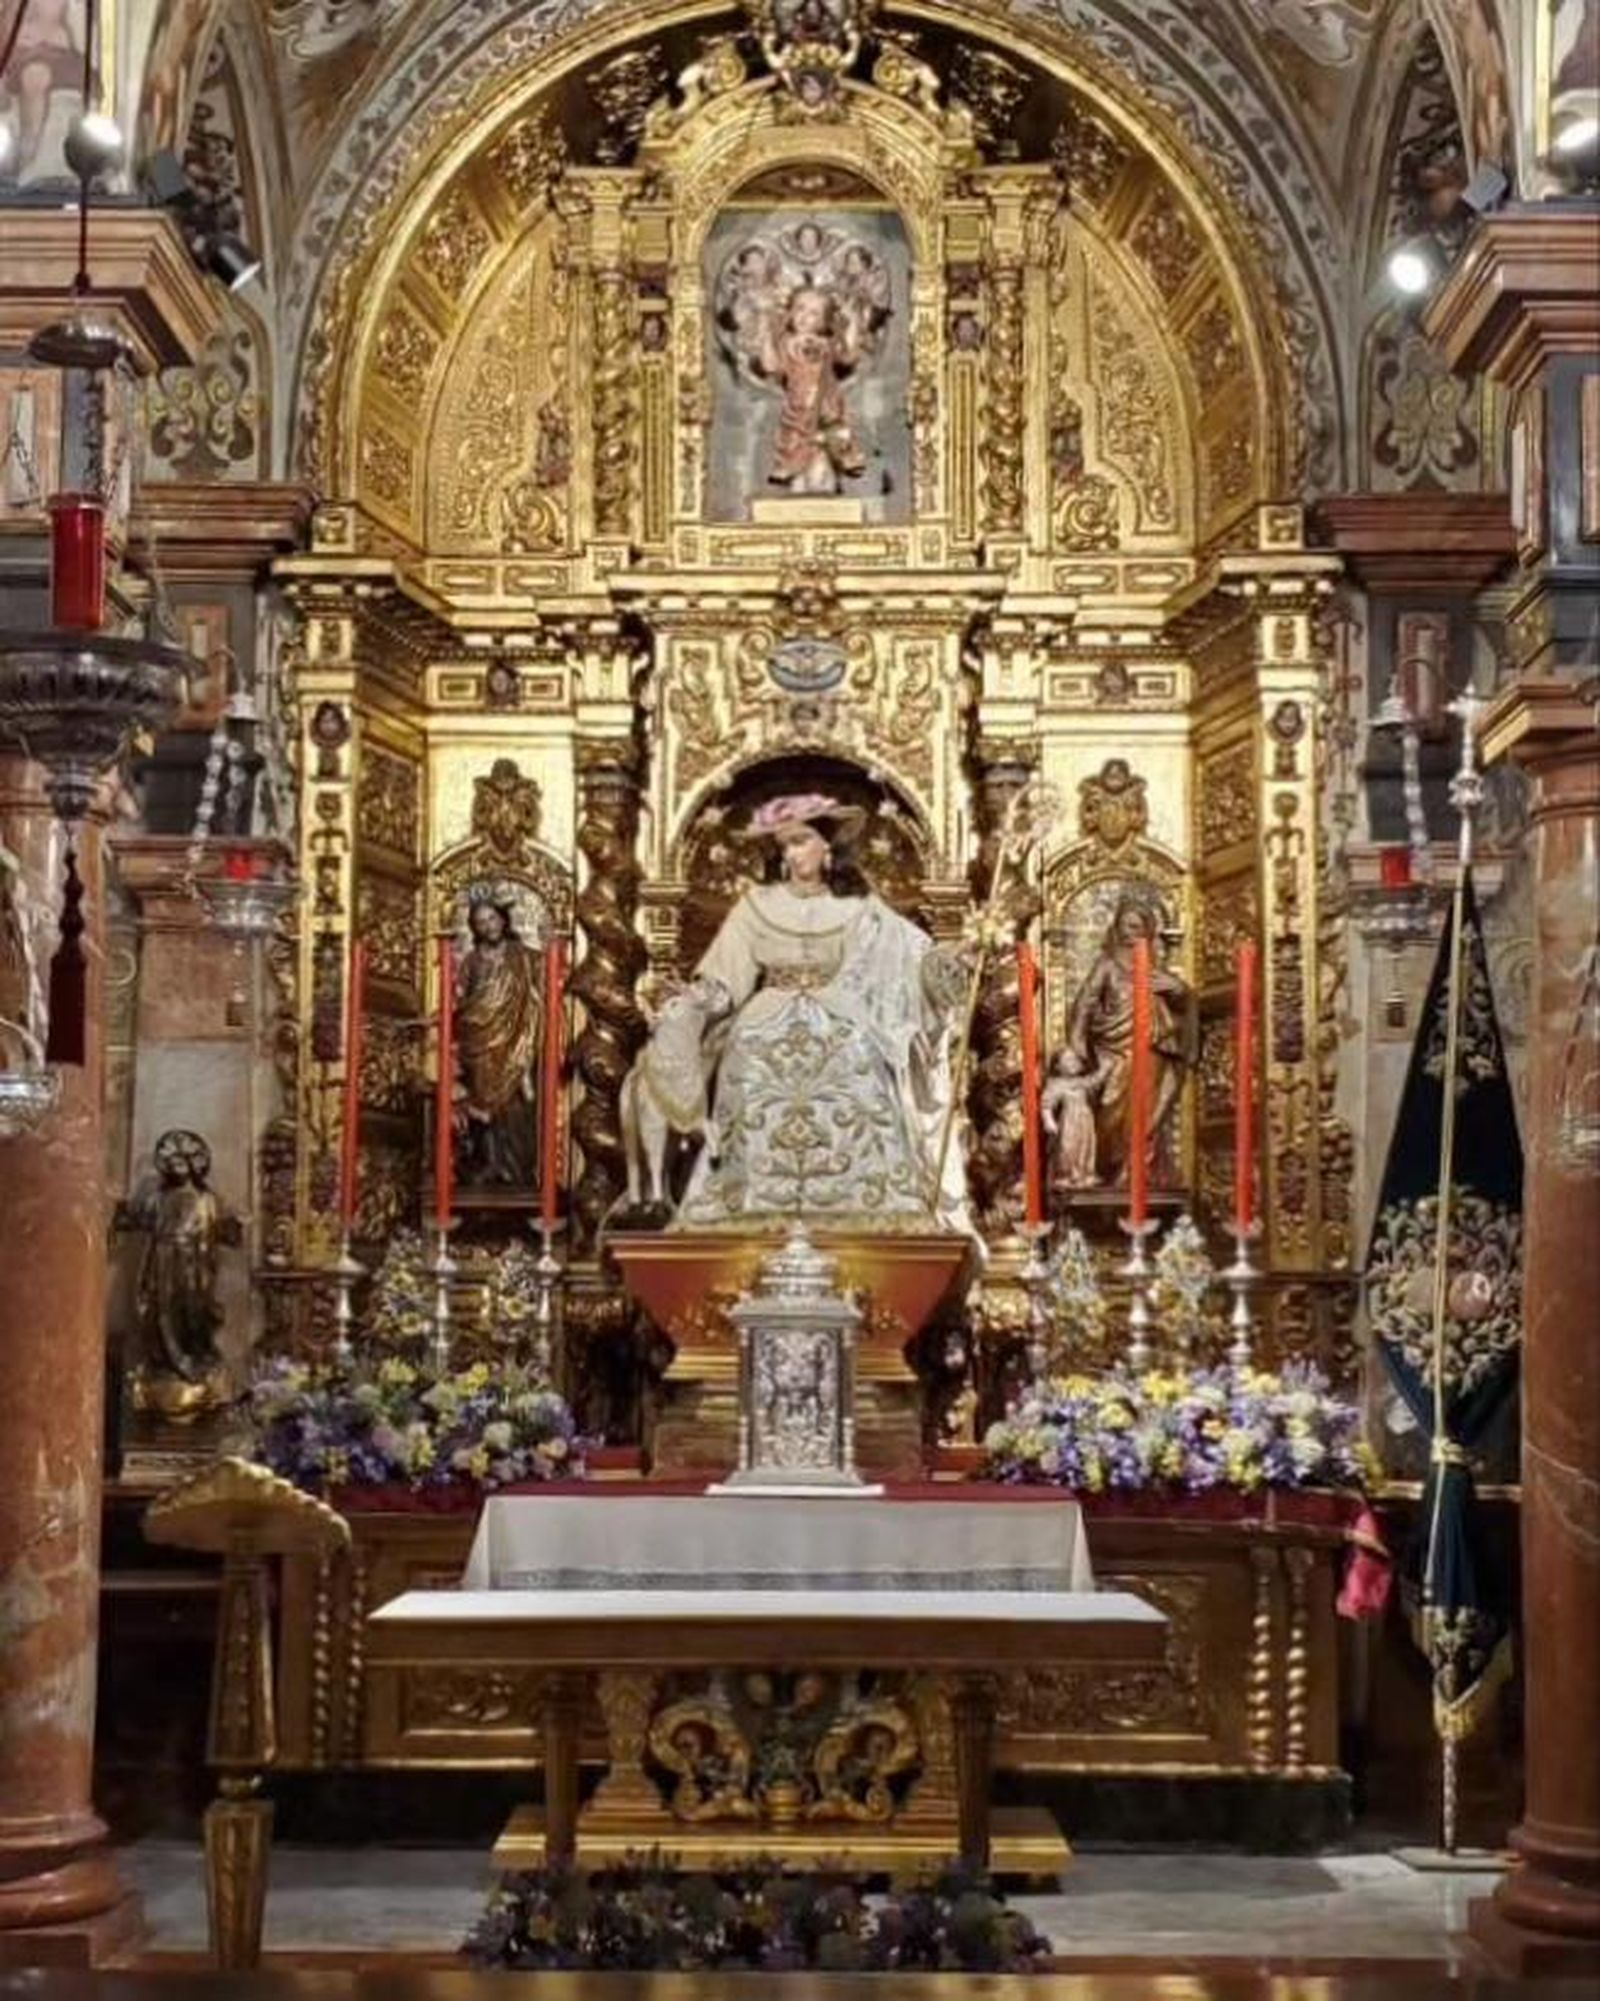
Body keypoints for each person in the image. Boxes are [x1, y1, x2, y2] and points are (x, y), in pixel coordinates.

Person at [635, 793, 970, 1231]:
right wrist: (697, 998)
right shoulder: (755, 905)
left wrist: (950, 961)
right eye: (785, 845)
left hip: (842, 1015)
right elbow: (725, 983)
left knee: (862, 1055)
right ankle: (746, 1198)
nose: (793, 854)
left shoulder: (859, 907)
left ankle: (866, 1201)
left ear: (826, 844)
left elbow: (910, 956)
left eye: (801, 841)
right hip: (765, 1017)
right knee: (748, 1051)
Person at [1064, 893, 1196, 1188]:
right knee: (1111, 1111)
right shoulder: (1107, 965)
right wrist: (1076, 1043)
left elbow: (1184, 1009)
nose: (1129, 933)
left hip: (1152, 1050)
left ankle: (1136, 1170)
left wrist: (1180, 991)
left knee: (1147, 1110)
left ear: (1148, 931)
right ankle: (1109, 1168)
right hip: (1113, 1051)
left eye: (1136, 927)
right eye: (1124, 925)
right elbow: (1085, 1003)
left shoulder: (1155, 973)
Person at [120, 1130, 240, 1386]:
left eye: (184, 1162)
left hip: (196, 1262)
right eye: (173, 1162)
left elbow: (223, 1228)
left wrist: (232, 1229)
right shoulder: (159, 1197)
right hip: (164, 1259)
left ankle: (196, 1355)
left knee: (194, 1308)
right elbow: (140, 1218)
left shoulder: (207, 1198)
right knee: (163, 1309)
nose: (179, 1168)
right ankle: (168, 1361)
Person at [454, 896, 542, 1188]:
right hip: (480, 1043)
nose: (488, 926)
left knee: (515, 1106)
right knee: (483, 1105)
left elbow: (544, 986)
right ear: (474, 928)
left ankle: (517, 1170)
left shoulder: (524, 957)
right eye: (481, 922)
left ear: (503, 919)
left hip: (516, 1042)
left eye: (492, 919)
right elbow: (461, 1000)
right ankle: (489, 1163)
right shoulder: (471, 961)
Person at [1041, 1046, 1107, 1192]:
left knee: (1086, 1146)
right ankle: (1066, 1174)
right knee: (1068, 1147)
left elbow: (1096, 1080)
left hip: (1085, 1121)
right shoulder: (1056, 1084)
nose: (1073, 1063)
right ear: (1057, 1066)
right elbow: (1046, 1104)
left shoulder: (1082, 1082)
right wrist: (1048, 1120)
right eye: (1068, 1060)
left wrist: (1105, 1065)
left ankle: (1085, 1173)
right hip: (1069, 1121)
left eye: (1075, 1060)